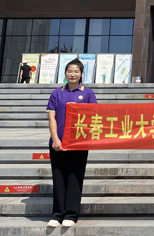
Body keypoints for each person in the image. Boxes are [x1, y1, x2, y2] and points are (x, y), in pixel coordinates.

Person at [46, 59, 97, 228]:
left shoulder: (88, 93)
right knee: (58, 178)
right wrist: (55, 139)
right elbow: (52, 118)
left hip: (78, 143)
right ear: (65, 73)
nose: (72, 74)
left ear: (81, 74)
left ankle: (71, 214)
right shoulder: (56, 93)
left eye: (76, 71)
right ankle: (57, 214)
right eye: (69, 71)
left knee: (75, 178)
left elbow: (94, 117)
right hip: (58, 143)